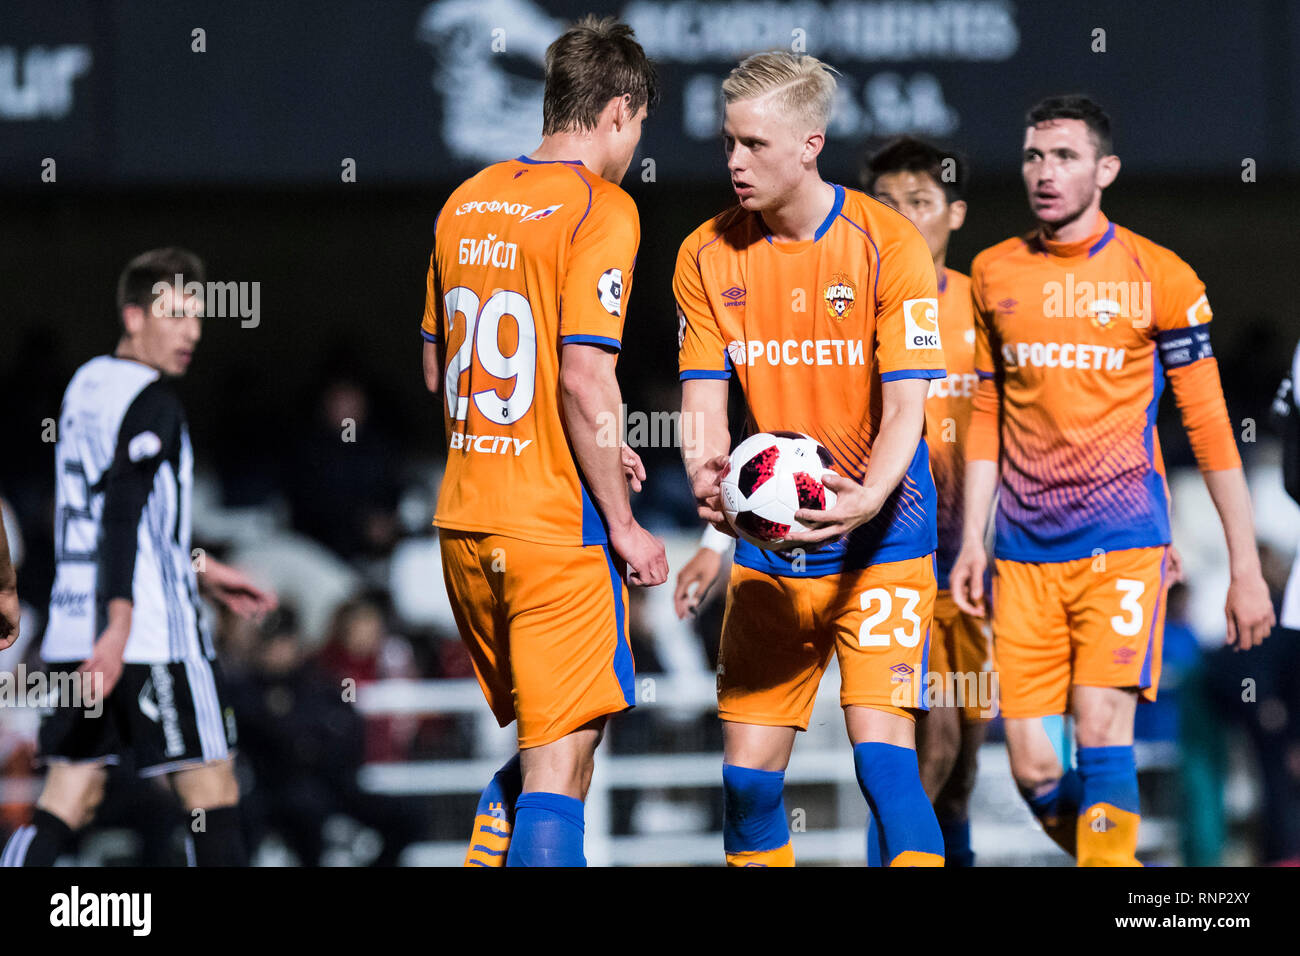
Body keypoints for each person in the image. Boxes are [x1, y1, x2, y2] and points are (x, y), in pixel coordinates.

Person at [949, 96, 1275, 866]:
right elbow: (989, 411)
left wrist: (1246, 567)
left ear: (1106, 170)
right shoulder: (995, 274)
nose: (1044, 172)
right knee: (1032, 767)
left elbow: (1209, 427)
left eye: (1064, 156)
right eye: (1033, 156)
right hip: (1022, 558)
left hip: (1122, 547)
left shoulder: (1159, 276)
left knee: (1101, 735)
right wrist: (972, 539)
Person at [678, 52, 946, 866]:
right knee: (749, 784)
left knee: (883, 759)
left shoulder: (887, 245)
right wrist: (707, 480)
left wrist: (866, 498)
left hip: (885, 538)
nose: (734, 161)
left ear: (809, 145)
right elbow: (702, 399)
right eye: (728, 142)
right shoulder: (705, 253)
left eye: (754, 144)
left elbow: (908, 406)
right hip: (773, 538)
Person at [421, 15, 666, 867]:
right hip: (552, 532)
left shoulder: (468, 197)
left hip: (462, 525)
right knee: (564, 765)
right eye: (639, 127)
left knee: (542, 754)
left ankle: (496, 831)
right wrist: (626, 521)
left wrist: (592, 442)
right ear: (618, 112)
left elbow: (438, 371)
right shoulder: (603, 208)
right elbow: (580, 378)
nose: (635, 145)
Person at [1, 248, 277, 867]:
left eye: (198, 317)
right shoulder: (154, 401)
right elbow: (124, 509)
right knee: (213, 792)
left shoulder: (85, 386)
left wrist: (202, 571)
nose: (192, 332)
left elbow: (108, 519)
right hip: (151, 636)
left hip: (78, 630)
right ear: (133, 315)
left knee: (70, 793)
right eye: (175, 314)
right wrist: (123, 626)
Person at [862, 136, 990, 867]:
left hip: (974, 566)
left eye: (921, 202)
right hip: (894, 559)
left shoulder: (987, 308)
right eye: (887, 205)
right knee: (926, 753)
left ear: (956, 212)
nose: (905, 218)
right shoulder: (854, 307)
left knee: (963, 772)